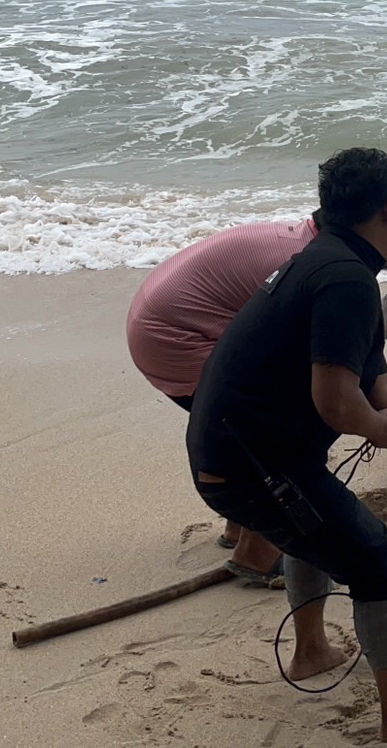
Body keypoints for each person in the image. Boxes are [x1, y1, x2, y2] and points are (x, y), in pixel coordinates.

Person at [186, 147, 387, 741]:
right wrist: (382, 432)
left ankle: (312, 651)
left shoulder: (328, 262)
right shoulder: (346, 281)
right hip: (252, 469)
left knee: (314, 533)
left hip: (237, 455)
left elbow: (376, 387)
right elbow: (339, 403)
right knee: (383, 566)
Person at [126, 216, 319, 582]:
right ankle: (256, 552)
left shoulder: (301, 239)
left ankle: (238, 526)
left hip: (155, 324)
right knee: (271, 424)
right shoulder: (313, 265)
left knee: (248, 421)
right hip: (174, 338)